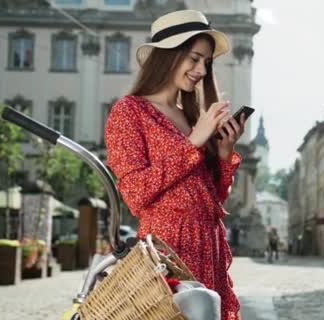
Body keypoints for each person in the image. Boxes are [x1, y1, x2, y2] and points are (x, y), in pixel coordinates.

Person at [105, 10, 244, 320]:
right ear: (168, 55)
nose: (200, 70)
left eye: (206, 62)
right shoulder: (129, 112)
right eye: (194, 58)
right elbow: (135, 193)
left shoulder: (193, 115)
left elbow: (214, 199)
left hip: (209, 242)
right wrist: (193, 143)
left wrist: (223, 152)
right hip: (168, 247)